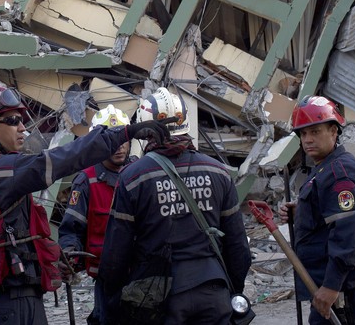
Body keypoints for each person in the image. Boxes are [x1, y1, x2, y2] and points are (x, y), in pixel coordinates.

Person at [0, 83, 175, 325]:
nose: (23, 128)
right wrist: (124, 133)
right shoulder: (1, 171)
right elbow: (60, 160)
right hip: (10, 303)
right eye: (13, 120)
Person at [98, 87, 251, 325]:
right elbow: (237, 244)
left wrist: (114, 298)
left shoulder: (132, 178)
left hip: (159, 297)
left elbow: (116, 252)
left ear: (146, 129)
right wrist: (232, 288)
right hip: (214, 291)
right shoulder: (218, 172)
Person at [278, 95, 355, 325]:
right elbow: (331, 218)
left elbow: (351, 233)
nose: (307, 140)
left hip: (347, 293)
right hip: (335, 289)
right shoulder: (325, 170)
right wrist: (304, 213)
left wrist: (331, 285)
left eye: (315, 131)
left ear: (334, 131)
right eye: (303, 134)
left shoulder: (339, 173)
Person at [58, 105, 134, 325]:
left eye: (123, 139)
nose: (119, 147)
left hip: (140, 272)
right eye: (111, 140)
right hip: (106, 275)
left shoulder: (141, 173)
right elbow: (70, 229)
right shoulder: (86, 181)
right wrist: (70, 253)